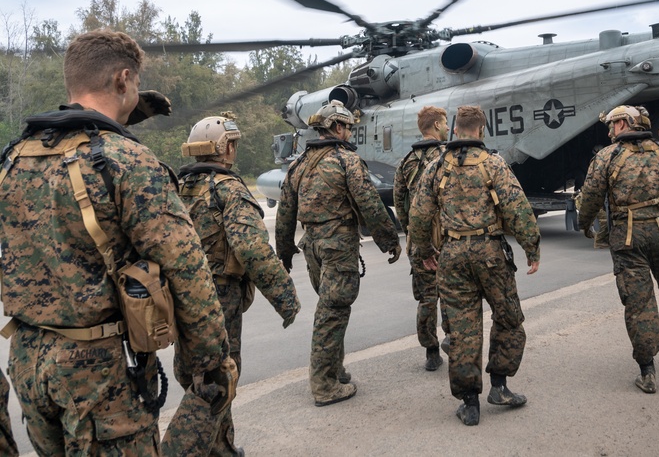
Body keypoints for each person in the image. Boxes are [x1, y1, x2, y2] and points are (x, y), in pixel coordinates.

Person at [0, 29, 231, 455]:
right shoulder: (126, 160)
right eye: (136, 84)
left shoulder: (14, 158)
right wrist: (212, 364)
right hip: (97, 374)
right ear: (123, 80)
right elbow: (185, 267)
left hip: (27, 362)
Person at [176, 113, 301, 455]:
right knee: (220, 377)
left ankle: (221, 447)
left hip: (181, 295)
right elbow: (253, 248)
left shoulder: (179, 187)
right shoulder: (228, 189)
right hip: (219, 296)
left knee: (193, 374)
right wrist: (285, 297)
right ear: (226, 148)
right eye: (233, 144)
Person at [408, 105, 540, 427]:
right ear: (481, 130)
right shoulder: (495, 165)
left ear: (454, 130)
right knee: (508, 317)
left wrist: (423, 251)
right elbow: (517, 208)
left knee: (463, 328)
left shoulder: (436, 167)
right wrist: (531, 248)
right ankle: (499, 386)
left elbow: (419, 215)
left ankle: (470, 404)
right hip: (491, 254)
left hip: (452, 255)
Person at [274, 100, 402, 407]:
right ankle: (324, 385)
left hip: (312, 248)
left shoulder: (299, 164)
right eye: (348, 127)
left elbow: (285, 212)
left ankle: (335, 369)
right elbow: (370, 203)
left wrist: (285, 250)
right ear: (337, 127)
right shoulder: (346, 160)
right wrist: (389, 239)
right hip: (337, 246)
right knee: (332, 313)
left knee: (331, 306)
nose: (350, 133)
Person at [577, 105, 659, 394]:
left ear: (625, 123)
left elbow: (591, 197)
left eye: (612, 124)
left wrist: (585, 223)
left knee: (639, 300)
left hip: (627, 236)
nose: (608, 130)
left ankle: (647, 370)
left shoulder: (607, 156)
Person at [393, 105, 451, 371]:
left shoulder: (406, 161)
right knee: (453, 292)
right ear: (437, 126)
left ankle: (431, 352)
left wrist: (412, 234)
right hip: (448, 236)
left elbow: (399, 202)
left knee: (427, 297)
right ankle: (454, 338)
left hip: (419, 239)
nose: (449, 128)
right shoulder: (448, 156)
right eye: (446, 123)